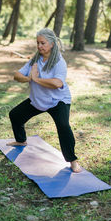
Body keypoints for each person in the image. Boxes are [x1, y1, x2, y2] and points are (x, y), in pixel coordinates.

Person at [8, 28, 81, 173]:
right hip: (38, 100)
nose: (39, 46)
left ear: (52, 44)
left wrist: (36, 79)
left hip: (57, 101)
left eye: (43, 43)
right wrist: (29, 78)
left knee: (63, 126)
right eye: (38, 43)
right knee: (15, 115)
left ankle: (73, 161)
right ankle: (21, 140)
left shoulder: (59, 62)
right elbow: (16, 75)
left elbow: (57, 83)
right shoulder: (35, 61)